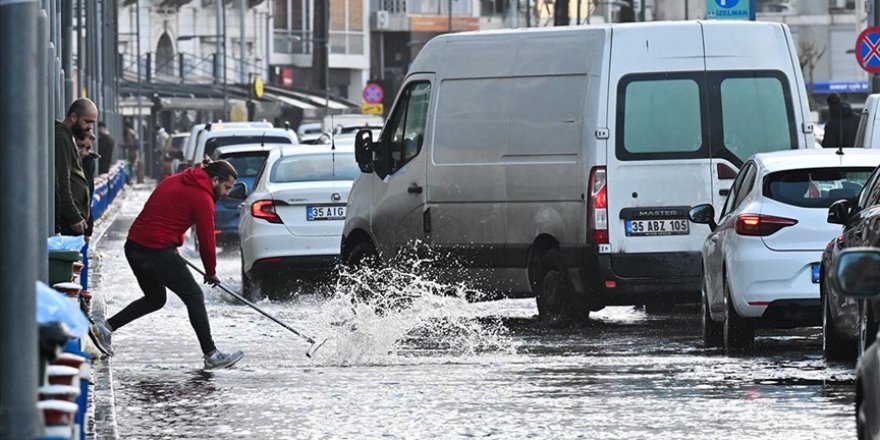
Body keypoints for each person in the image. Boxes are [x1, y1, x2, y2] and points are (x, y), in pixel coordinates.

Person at [89, 158, 244, 370]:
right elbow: (207, 240)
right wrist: (211, 272)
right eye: (226, 187)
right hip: (155, 250)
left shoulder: (178, 179)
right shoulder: (203, 197)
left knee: (155, 299)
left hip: (135, 246)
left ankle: (104, 328)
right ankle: (212, 354)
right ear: (215, 180)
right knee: (194, 296)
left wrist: (172, 243)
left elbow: (161, 213)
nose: (227, 193)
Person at [55, 98, 96, 237]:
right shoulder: (62, 138)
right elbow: (62, 181)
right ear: (73, 117)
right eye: (87, 121)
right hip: (68, 220)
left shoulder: (69, 136)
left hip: (73, 218)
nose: (90, 127)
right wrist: (73, 216)